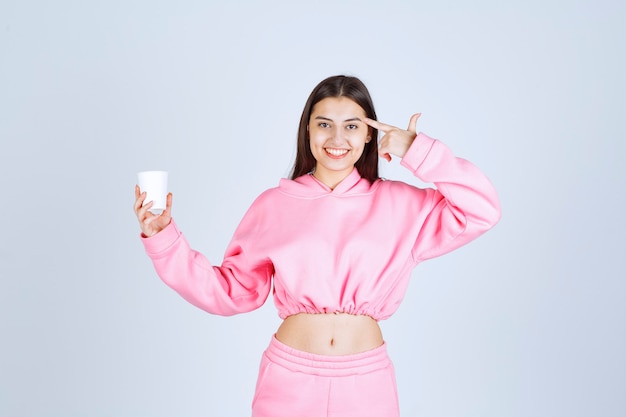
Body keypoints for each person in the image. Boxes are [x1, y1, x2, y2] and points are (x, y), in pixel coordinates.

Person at [133, 75, 501, 417]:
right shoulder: (273, 204)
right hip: (289, 380)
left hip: (365, 381)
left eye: (352, 126)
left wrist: (418, 151)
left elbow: (482, 209)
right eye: (324, 124)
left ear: (370, 135)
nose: (336, 139)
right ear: (307, 129)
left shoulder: (403, 204)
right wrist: (164, 238)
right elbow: (231, 292)